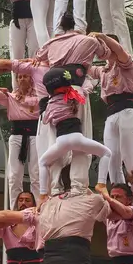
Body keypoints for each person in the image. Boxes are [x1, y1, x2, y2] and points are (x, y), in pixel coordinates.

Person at [38, 65, 111, 200]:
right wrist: (87, 80)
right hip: (77, 138)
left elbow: (46, 120)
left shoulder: (50, 104)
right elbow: (87, 89)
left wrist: (44, 108)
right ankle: (101, 184)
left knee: (42, 162)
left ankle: (42, 194)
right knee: (106, 153)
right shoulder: (74, 96)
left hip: (61, 142)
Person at [87, 33, 133, 191]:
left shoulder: (125, 62)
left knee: (129, 155)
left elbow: (118, 49)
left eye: (106, 46)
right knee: (111, 157)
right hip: (111, 113)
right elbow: (85, 67)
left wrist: (101, 36)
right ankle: (119, 193)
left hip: (128, 109)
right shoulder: (103, 70)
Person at [0, 77, 40, 207]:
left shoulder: (40, 95)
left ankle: (38, 209)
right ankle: (14, 209)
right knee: (14, 175)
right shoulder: (11, 97)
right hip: (16, 135)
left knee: (36, 174)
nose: (22, 79)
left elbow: (37, 101)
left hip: (35, 135)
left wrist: (19, 98)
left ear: (31, 79)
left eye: (25, 76)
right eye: (19, 77)